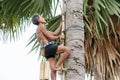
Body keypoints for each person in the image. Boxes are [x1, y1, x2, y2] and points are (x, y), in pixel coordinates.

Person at [31, 14, 70, 80]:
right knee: (67, 50)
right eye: (41, 17)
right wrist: (59, 37)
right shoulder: (41, 26)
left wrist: (61, 24)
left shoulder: (40, 29)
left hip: (45, 51)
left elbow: (54, 33)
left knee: (53, 70)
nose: (43, 18)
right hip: (48, 47)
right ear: (39, 20)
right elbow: (50, 37)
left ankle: (55, 69)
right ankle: (58, 65)